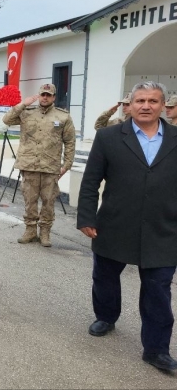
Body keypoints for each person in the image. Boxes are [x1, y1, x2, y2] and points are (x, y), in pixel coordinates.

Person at [77, 81, 177, 372]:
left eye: (153, 101)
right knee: (105, 278)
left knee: (158, 289)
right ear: (129, 105)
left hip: (163, 229)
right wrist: (86, 216)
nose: (146, 106)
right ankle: (106, 317)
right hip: (115, 224)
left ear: (163, 107)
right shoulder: (108, 137)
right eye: (140, 101)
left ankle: (156, 350)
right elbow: (91, 181)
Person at [2, 83, 75, 247]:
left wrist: (67, 164)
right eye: (43, 94)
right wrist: (23, 104)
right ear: (39, 95)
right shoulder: (26, 113)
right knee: (30, 200)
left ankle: (45, 232)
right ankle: (30, 230)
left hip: (51, 166)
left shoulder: (63, 117)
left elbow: (70, 142)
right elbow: (6, 120)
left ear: (54, 97)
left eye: (48, 95)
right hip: (30, 165)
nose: (45, 97)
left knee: (48, 201)